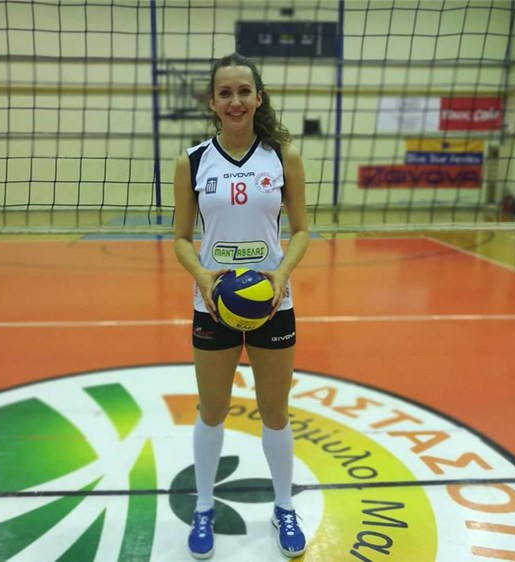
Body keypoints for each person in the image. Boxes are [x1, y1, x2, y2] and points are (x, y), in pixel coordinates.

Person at [173, 52, 310, 559]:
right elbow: (181, 239)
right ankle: (204, 506)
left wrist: (280, 275)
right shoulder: (192, 161)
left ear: (258, 98)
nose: (235, 101)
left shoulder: (283, 157)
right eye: (225, 93)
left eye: (243, 91)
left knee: (275, 413)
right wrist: (203, 277)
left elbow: (302, 231)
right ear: (212, 102)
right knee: (212, 411)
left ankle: (283, 507)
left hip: (273, 302)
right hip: (213, 304)